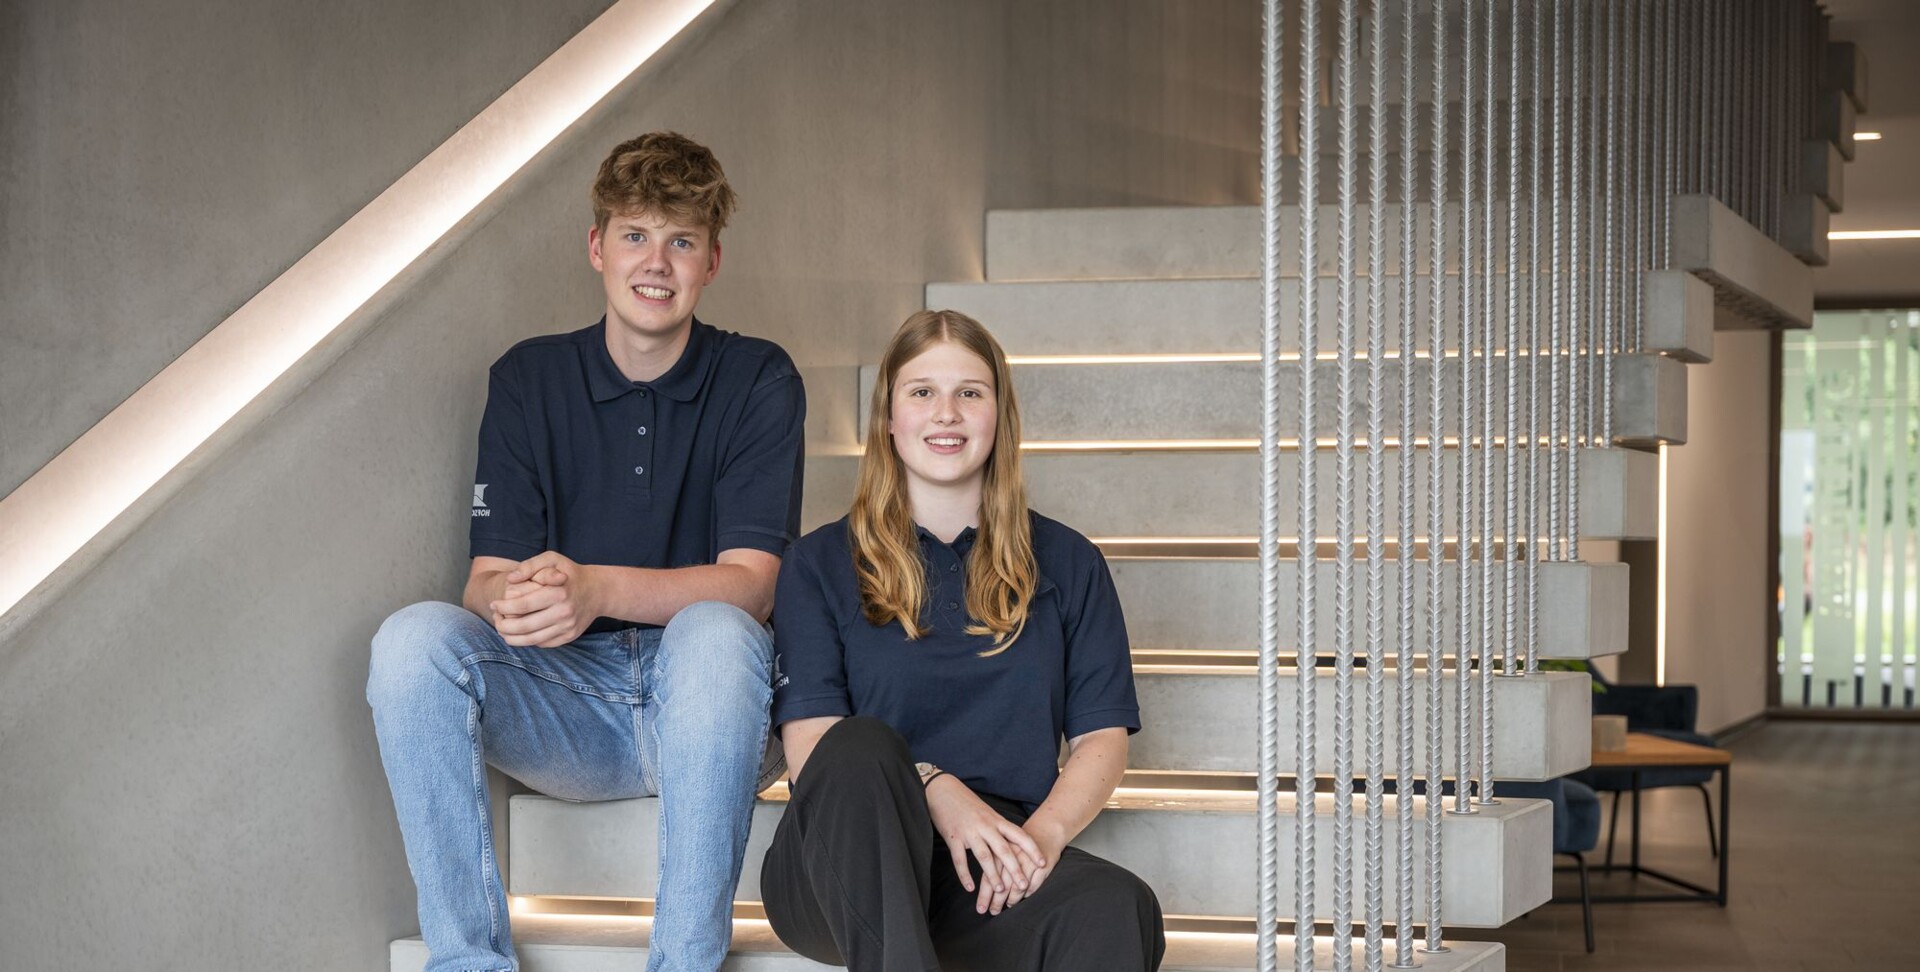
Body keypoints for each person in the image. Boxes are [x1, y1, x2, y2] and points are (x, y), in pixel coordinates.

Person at [366, 131, 805, 972]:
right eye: (636, 235)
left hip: (716, 711)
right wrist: (523, 600)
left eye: (681, 241)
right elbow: (485, 582)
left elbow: (750, 588)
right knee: (412, 642)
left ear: (712, 261)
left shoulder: (759, 378)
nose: (657, 262)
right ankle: (467, 963)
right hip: (570, 706)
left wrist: (596, 588)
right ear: (596, 246)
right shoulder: (528, 380)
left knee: (716, 635)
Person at [760, 309, 1165, 971]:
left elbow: (1102, 739)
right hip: (840, 859)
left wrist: (1035, 843)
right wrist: (937, 789)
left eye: (969, 393)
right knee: (859, 744)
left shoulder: (1068, 562)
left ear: (999, 415)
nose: (945, 413)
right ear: (889, 418)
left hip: (985, 860)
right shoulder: (818, 563)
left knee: (1118, 905)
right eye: (922, 392)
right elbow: (812, 748)